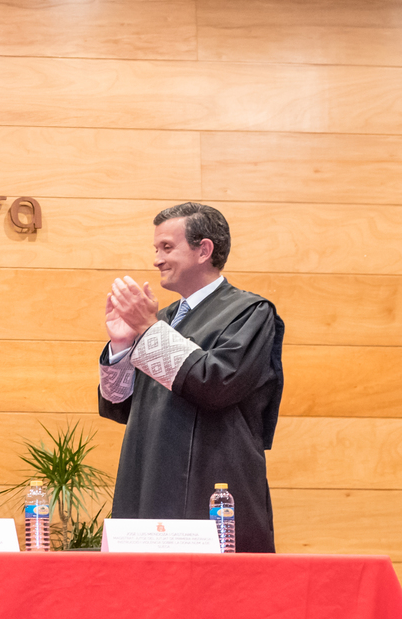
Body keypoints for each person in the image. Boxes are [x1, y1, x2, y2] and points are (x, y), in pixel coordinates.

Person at [99, 202, 285, 552]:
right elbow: (120, 405)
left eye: (167, 247)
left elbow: (217, 384)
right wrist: (121, 344)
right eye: (156, 249)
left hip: (210, 486)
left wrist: (147, 329)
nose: (156, 260)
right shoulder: (161, 319)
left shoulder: (249, 313)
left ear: (204, 250)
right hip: (148, 480)